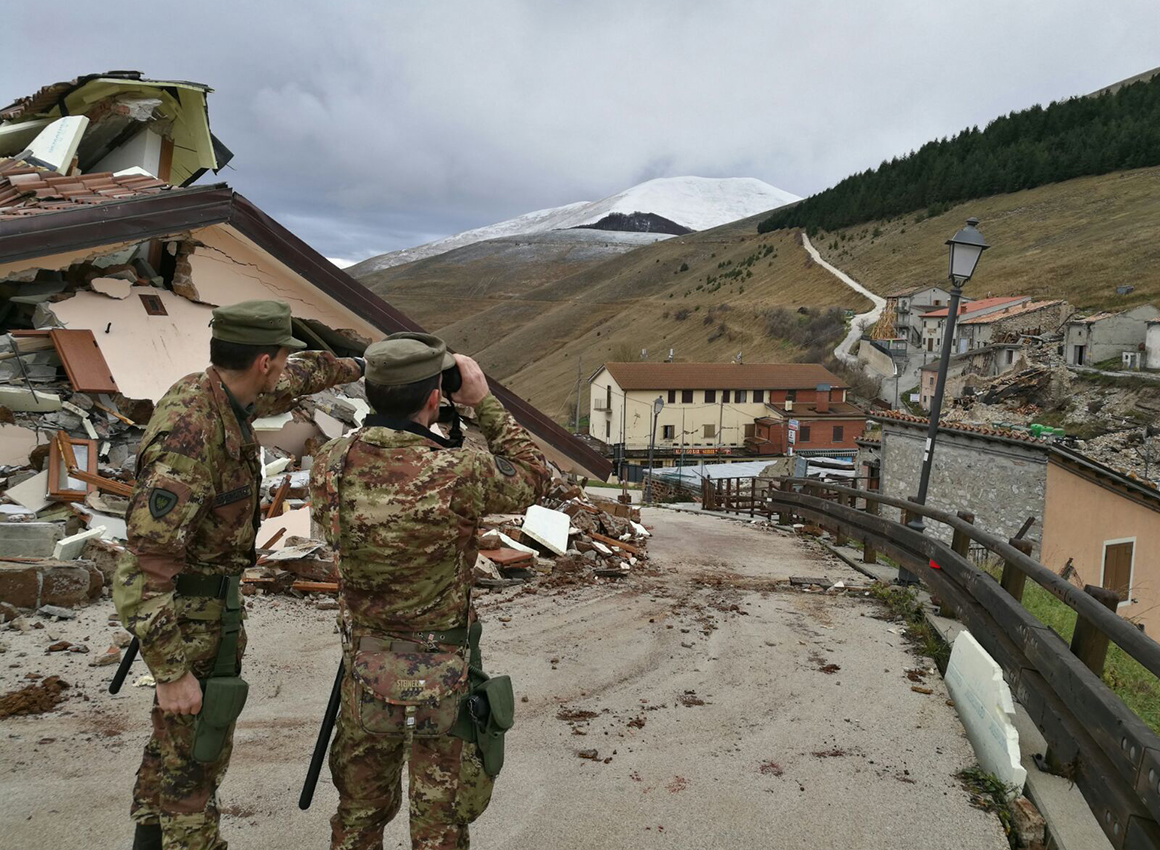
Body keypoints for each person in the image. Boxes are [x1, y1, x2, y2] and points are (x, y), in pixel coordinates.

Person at [115, 300, 364, 850]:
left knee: (172, 757)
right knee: (193, 766)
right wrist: (171, 672)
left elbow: (308, 372)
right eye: (280, 358)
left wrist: (367, 364)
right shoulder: (191, 435)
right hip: (186, 622)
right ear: (263, 362)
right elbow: (140, 571)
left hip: (212, 612)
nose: (283, 368)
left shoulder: (231, 390)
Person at [309, 332, 550, 850]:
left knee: (358, 814)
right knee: (440, 821)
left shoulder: (329, 462)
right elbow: (534, 474)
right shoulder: (460, 469)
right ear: (434, 396)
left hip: (364, 663)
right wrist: (483, 403)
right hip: (443, 665)